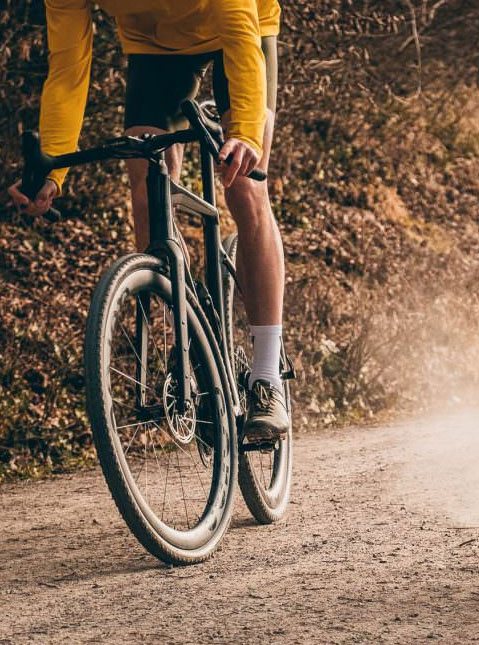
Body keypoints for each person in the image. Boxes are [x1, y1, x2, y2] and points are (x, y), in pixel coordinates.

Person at [7, 0, 291, 439]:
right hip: (155, 49)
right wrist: (52, 171)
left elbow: (239, 31)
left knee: (245, 187)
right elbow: (67, 70)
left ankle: (266, 378)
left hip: (239, 31)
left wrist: (245, 134)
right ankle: (198, 349)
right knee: (148, 198)